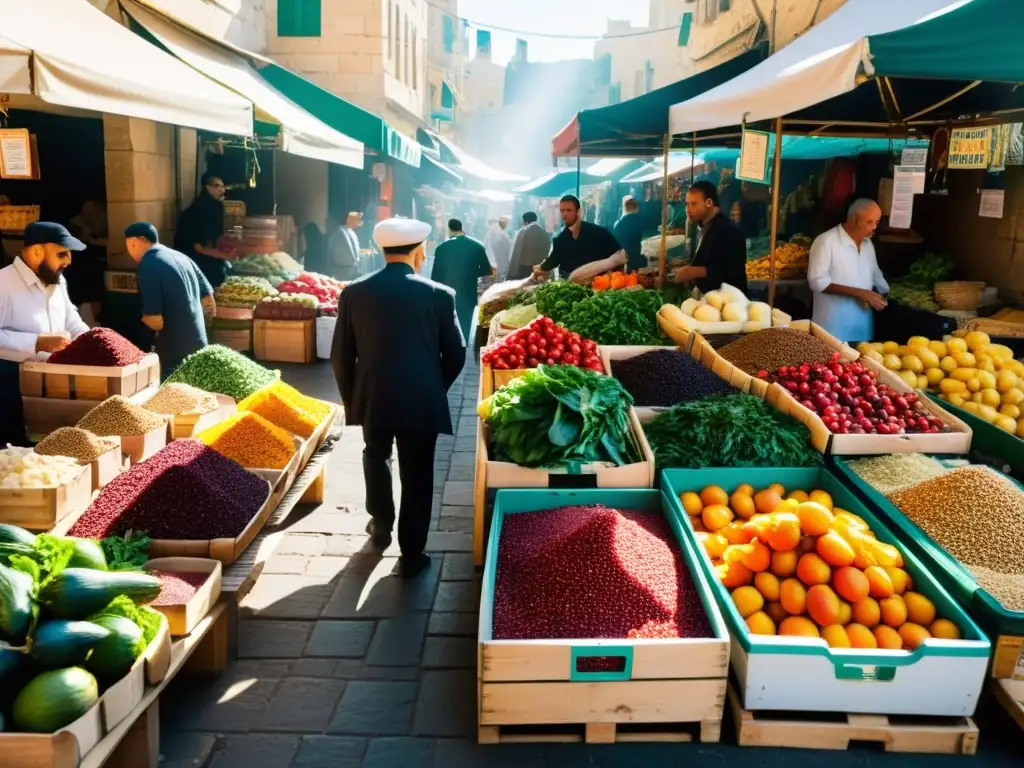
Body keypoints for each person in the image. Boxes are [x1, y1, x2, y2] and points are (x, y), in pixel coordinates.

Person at [331, 218, 466, 578]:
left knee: (375, 456)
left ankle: (380, 524)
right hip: (422, 398)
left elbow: (340, 356)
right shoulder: (439, 294)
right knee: (417, 472)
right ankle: (412, 550)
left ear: (381, 250)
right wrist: (435, 387)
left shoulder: (355, 292)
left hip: (373, 395)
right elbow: (457, 354)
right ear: (420, 252)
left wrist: (353, 398)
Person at [0, 223, 90, 446]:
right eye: (61, 254)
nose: (68, 261)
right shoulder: (3, 283)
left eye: (68, 255)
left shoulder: (58, 282)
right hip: (9, 388)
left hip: (52, 383)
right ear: (36, 252)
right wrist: (37, 342)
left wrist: (94, 343)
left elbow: (73, 322)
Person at [125, 222, 214, 379]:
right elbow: (209, 302)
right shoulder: (182, 257)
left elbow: (154, 320)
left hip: (173, 354)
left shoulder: (148, 264)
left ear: (135, 241)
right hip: (200, 345)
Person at [807, 199, 889, 343]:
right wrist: (860, 293)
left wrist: (884, 295)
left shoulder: (868, 245)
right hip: (832, 329)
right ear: (854, 220)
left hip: (862, 329)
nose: (874, 227)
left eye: (876, 222)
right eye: (869, 222)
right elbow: (817, 282)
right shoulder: (826, 241)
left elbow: (876, 275)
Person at [673, 181, 748, 294]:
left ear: (709, 202)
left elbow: (730, 272)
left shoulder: (729, 231)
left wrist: (692, 272)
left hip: (730, 303)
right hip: (709, 298)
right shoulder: (704, 226)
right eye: (687, 204)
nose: (688, 210)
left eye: (693, 204)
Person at [431, 219, 494, 340]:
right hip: (469, 293)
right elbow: (487, 271)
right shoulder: (477, 247)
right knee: (467, 326)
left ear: (449, 229)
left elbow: (435, 277)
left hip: (447, 295)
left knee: (449, 328)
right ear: (462, 228)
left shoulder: (441, 248)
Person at [533, 195, 623, 279]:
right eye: (562, 210)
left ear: (578, 211)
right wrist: (540, 268)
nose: (565, 214)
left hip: (598, 287)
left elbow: (620, 256)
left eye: (569, 210)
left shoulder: (599, 233)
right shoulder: (561, 239)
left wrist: (614, 278)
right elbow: (552, 261)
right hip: (569, 289)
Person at [174, 172, 235, 289]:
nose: (221, 189)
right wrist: (222, 255)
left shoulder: (214, 206)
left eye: (223, 186)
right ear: (207, 188)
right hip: (195, 264)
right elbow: (198, 246)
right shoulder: (201, 210)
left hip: (205, 262)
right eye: (217, 186)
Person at [507, 211, 550, 280]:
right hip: (540, 267)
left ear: (525, 221)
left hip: (525, 267)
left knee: (525, 287)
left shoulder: (523, 231)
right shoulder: (544, 232)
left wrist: (511, 273)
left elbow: (516, 252)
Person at [613, 196, 646, 272]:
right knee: (633, 273)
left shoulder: (619, 223)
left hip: (622, 254)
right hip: (635, 252)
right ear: (637, 208)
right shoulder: (642, 220)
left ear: (625, 208)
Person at [327, 212, 363, 280]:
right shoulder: (338, 232)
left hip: (352, 268)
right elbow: (331, 250)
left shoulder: (352, 233)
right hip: (341, 268)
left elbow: (356, 249)